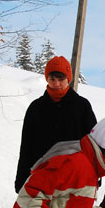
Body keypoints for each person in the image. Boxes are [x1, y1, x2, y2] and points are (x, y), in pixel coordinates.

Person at [14, 56, 97, 193]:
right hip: (41, 175)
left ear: (68, 79)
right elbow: (26, 146)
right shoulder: (36, 108)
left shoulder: (82, 106)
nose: (56, 84)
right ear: (47, 79)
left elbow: (92, 144)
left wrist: (95, 176)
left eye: (61, 79)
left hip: (73, 177)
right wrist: (21, 180)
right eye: (52, 79)